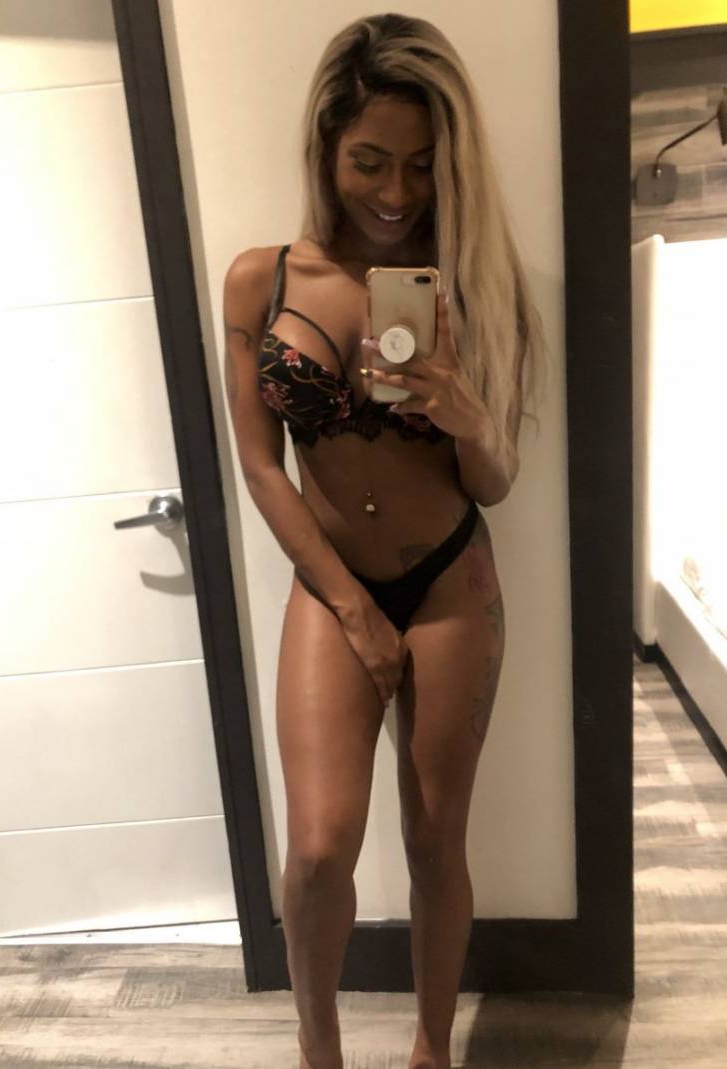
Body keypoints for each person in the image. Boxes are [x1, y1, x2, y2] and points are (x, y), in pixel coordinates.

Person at [222, 13, 547, 1069]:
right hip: (332, 587)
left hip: (451, 580)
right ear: (325, 145)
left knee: (434, 839)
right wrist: (353, 610)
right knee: (319, 847)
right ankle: (317, 1048)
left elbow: (493, 482)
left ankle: (429, 1050)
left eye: (420, 165)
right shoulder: (260, 281)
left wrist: (465, 414)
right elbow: (262, 467)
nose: (396, 192)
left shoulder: (475, 281)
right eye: (370, 160)